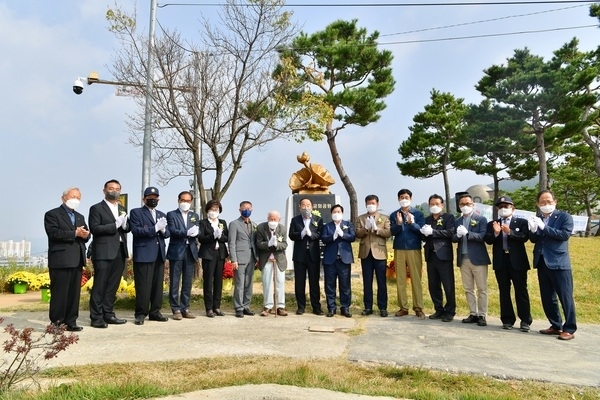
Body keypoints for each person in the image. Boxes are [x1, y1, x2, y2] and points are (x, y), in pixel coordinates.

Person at [528, 190, 577, 341]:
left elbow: (564, 235)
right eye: (542, 202)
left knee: (565, 296)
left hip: (559, 263)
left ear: (555, 202)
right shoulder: (538, 218)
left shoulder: (564, 217)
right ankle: (555, 325)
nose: (546, 204)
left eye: (549, 201)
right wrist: (533, 230)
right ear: (538, 204)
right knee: (548, 297)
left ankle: (569, 328)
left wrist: (543, 227)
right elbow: (534, 239)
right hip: (542, 262)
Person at [44, 187, 90, 331]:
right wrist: (74, 233)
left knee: (73, 293)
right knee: (60, 293)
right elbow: (53, 233)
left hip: (77, 259)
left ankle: (71, 321)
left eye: (78, 197)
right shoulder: (52, 214)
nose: (75, 200)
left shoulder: (80, 216)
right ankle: (57, 323)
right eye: (72, 196)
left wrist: (85, 235)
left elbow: (87, 235)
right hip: (61, 260)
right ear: (63, 198)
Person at [484, 196, 532, 332]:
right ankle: (507, 319)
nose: (503, 209)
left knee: (521, 290)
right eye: (501, 207)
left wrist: (509, 232)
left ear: (513, 208)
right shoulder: (493, 223)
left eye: (506, 206)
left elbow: (525, 237)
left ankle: (525, 320)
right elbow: (488, 240)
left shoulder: (521, 222)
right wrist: (496, 233)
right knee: (504, 291)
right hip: (501, 260)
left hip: (517, 261)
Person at [88, 179, 129, 328]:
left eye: (117, 189)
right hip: (103, 251)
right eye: (111, 188)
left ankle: (108, 313)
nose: (114, 191)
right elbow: (95, 229)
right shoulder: (96, 208)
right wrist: (114, 225)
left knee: (113, 284)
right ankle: (96, 317)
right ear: (104, 190)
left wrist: (125, 225)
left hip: (119, 250)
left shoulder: (122, 208)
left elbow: (126, 228)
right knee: (100, 284)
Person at [129, 187, 170, 325]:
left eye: (155, 197)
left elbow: (167, 233)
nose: (153, 200)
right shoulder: (136, 212)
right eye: (150, 197)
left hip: (159, 254)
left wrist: (163, 230)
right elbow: (136, 230)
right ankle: (140, 313)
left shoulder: (161, 214)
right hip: (144, 253)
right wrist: (154, 229)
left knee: (157, 285)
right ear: (144, 199)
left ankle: (155, 312)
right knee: (143, 286)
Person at [452, 194, 491, 327]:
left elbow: (482, 236)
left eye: (468, 204)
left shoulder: (481, 219)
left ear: (473, 205)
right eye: (462, 204)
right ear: (459, 206)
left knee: (481, 288)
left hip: (478, 259)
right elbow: (453, 238)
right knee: (468, 288)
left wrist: (468, 234)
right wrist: (457, 236)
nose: (465, 206)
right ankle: (473, 313)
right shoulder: (457, 221)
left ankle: (482, 315)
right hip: (463, 258)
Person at [389, 189, 426, 318]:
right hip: (399, 248)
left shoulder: (418, 213)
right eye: (401, 197)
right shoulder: (394, 214)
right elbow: (392, 232)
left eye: (406, 197)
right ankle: (403, 307)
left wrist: (412, 223)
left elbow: (421, 231)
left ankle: (418, 307)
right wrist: (398, 224)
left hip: (414, 248)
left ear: (410, 198)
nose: (404, 199)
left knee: (416, 278)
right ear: (398, 199)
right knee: (400, 279)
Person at [420, 194, 456, 322]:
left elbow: (451, 232)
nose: (434, 206)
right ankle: (438, 309)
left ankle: (450, 311)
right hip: (430, 255)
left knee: (448, 285)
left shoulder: (449, 217)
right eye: (432, 204)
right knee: (433, 284)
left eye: (437, 204)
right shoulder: (427, 219)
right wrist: (423, 233)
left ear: (442, 205)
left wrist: (433, 232)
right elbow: (425, 237)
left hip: (444, 255)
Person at [355, 195, 391, 317]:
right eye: (369, 203)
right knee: (367, 281)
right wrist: (365, 228)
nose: (371, 205)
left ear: (377, 204)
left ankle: (383, 307)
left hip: (379, 253)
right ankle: (368, 306)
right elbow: (357, 234)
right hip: (366, 253)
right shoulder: (360, 218)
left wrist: (376, 229)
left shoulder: (384, 218)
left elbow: (388, 233)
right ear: (366, 204)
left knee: (381, 281)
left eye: (373, 203)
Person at [166, 191, 200, 320]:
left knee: (187, 282)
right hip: (177, 250)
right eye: (183, 200)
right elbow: (172, 231)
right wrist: (186, 232)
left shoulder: (194, 215)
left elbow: (197, 229)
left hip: (190, 251)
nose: (185, 203)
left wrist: (196, 232)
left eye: (187, 201)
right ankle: (175, 309)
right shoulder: (172, 214)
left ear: (191, 202)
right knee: (175, 281)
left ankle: (185, 308)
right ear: (178, 201)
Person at [288, 198, 324, 315]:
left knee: (314, 282)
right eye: (303, 205)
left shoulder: (318, 219)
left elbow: (320, 234)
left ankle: (316, 307)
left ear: (312, 207)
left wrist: (311, 235)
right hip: (300, 255)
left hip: (313, 255)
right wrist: (301, 234)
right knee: (299, 282)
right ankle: (301, 306)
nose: (306, 207)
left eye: (308, 205)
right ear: (299, 207)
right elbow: (291, 235)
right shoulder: (295, 220)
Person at [321, 204, 356, 318]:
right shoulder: (327, 226)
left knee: (345, 285)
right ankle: (331, 308)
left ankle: (345, 307)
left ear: (342, 213)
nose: (336, 213)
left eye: (339, 211)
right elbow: (324, 238)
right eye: (334, 212)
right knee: (330, 285)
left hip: (344, 259)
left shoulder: (347, 224)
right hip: (330, 260)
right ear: (331, 214)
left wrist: (343, 235)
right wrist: (333, 237)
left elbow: (352, 237)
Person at [198, 199, 229, 317]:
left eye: (216, 209)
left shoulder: (222, 222)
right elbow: (201, 238)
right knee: (208, 281)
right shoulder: (203, 223)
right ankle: (209, 308)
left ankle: (217, 306)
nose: (214, 211)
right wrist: (212, 236)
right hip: (208, 254)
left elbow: (226, 237)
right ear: (207, 210)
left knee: (218, 281)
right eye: (211, 209)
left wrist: (220, 236)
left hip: (220, 254)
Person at [255, 210, 289, 317]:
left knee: (280, 283)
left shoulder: (282, 228)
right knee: (267, 283)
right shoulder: (261, 228)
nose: (273, 221)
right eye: (271, 219)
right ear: (267, 218)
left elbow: (284, 244)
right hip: (266, 259)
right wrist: (268, 244)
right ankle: (268, 306)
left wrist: (277, 244)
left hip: (279, 259)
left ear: (279, 219)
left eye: (275, 219)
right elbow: (258, 243)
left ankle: (280, 306)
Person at [228, 200, 257, 318]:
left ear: (252, 209)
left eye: (249, 208)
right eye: (244, 208)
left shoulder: (254, 224)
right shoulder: (234, 224)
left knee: (249, 283)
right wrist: (233, 259)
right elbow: (232, 243)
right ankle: (238, 307)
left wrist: (257, 257)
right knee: (240, 283)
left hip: (251, 257)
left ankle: (246, 306)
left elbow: (255, 242)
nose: (247, 210)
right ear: (240, 210)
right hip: (239, 258)